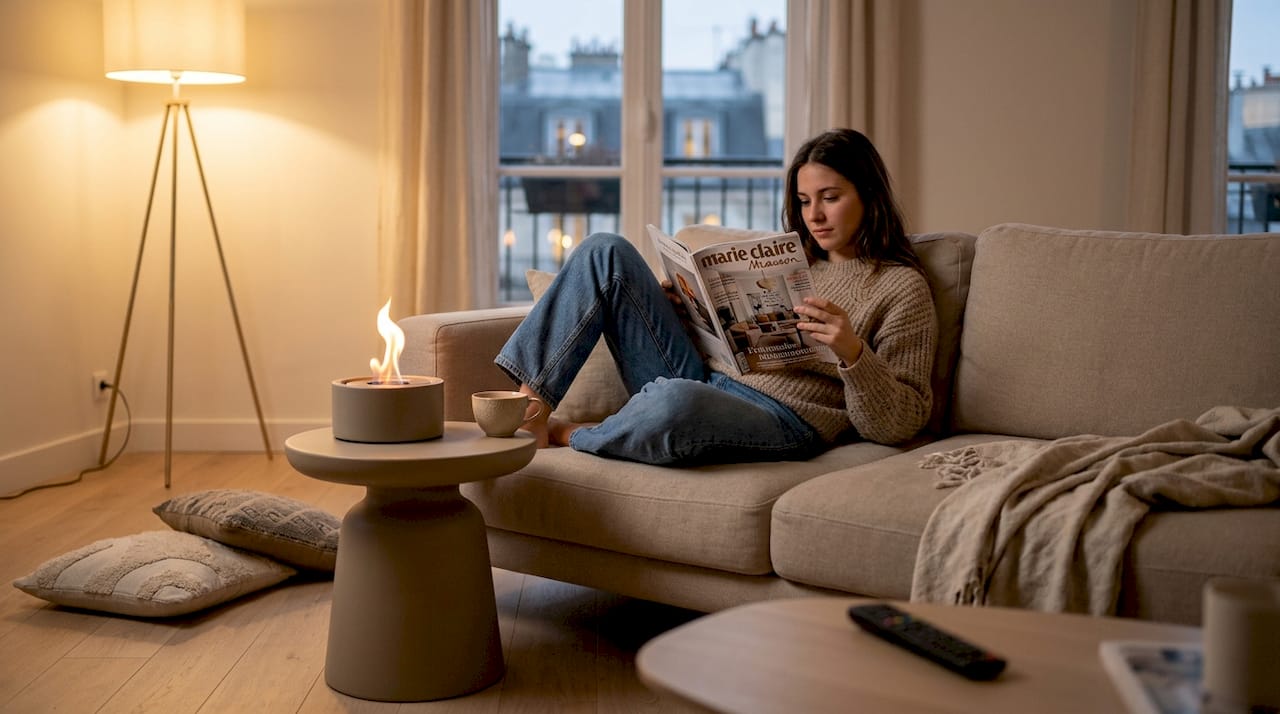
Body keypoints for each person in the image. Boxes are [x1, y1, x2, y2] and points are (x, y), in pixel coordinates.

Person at [494, 128, 937, 465]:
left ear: (869, 195)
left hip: (783, 417)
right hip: (703, 376)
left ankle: (569, 434)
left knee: (674, 402)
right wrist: (684, 313)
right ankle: (531, 409)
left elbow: (900, 422)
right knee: (603, 250)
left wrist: (853, 353)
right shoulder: (790, 261)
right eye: (803, 201)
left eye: (830, 198)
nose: (814, 215)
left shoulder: (900, 287)